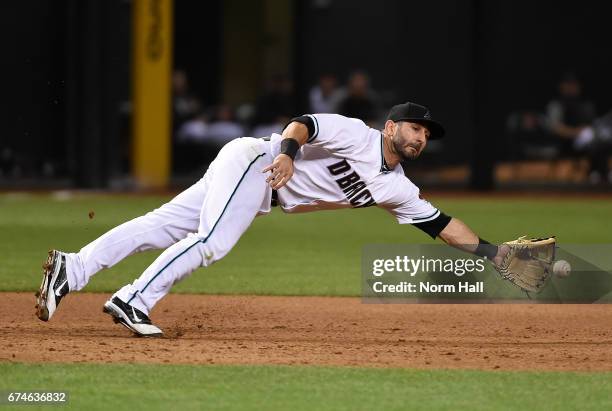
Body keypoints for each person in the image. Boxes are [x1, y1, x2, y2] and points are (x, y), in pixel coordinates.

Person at [36, 102, 509, 337]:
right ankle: (133, 299)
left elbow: (442, 225)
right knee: (212, 241)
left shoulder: (398, 188)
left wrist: (494, 253)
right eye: (414, 127)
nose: (420, 137)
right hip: (256, 162)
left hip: (256, 181)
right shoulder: (359, 136)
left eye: (427, 134)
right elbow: (303, 124)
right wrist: (287, 155)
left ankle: (73, 269)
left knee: (161, 225)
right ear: (391, 126)